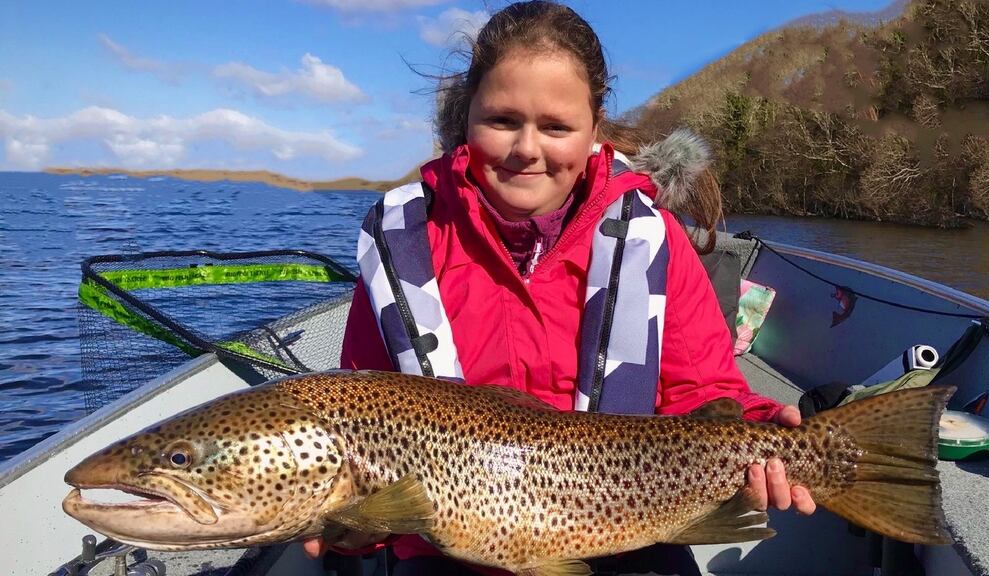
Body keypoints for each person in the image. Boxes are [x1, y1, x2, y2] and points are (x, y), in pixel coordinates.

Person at [306, 1, 815, 573]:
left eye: (556, 127)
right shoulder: (402, 243)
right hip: (446, 555)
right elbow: (358, 411)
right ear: (465, 119)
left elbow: (701, 391)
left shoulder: (652, 240)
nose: (527, 148)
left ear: (594, 129)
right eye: (502, 120)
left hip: (630, 536)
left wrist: (764, 436)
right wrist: (350, 529)